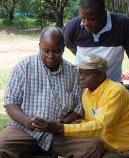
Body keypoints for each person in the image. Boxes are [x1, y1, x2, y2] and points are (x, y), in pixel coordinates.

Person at [0, 27, 104, 158]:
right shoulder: (23, 67)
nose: (50, 56)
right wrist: (26, 120)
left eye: (56, 51)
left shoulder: (73, 72)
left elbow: (78, 109)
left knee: (94, 146)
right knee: (1, 145)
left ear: (63, 48)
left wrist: (59, 124)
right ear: (39, 46)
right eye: (46, 51)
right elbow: (10, 103)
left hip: (58, 133)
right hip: (24, 129)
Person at [39, 55, 129, 158]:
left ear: (100, 75)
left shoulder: (115, 91)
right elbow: (89, 122)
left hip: (127, 148)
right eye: (80, 72)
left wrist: (62, 128)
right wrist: (67, 123)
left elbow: (101, 126)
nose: (81, 77)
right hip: (106, 145)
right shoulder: (86, 93)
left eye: (86, 74)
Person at [63, 0, 129, 108]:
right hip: (84, 90)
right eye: (83, 18)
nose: (86, 23)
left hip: (112, 90)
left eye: (92, 19)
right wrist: (89, 66)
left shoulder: (122, 25)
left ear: (103, 13)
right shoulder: (73, 27)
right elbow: (71, 47)